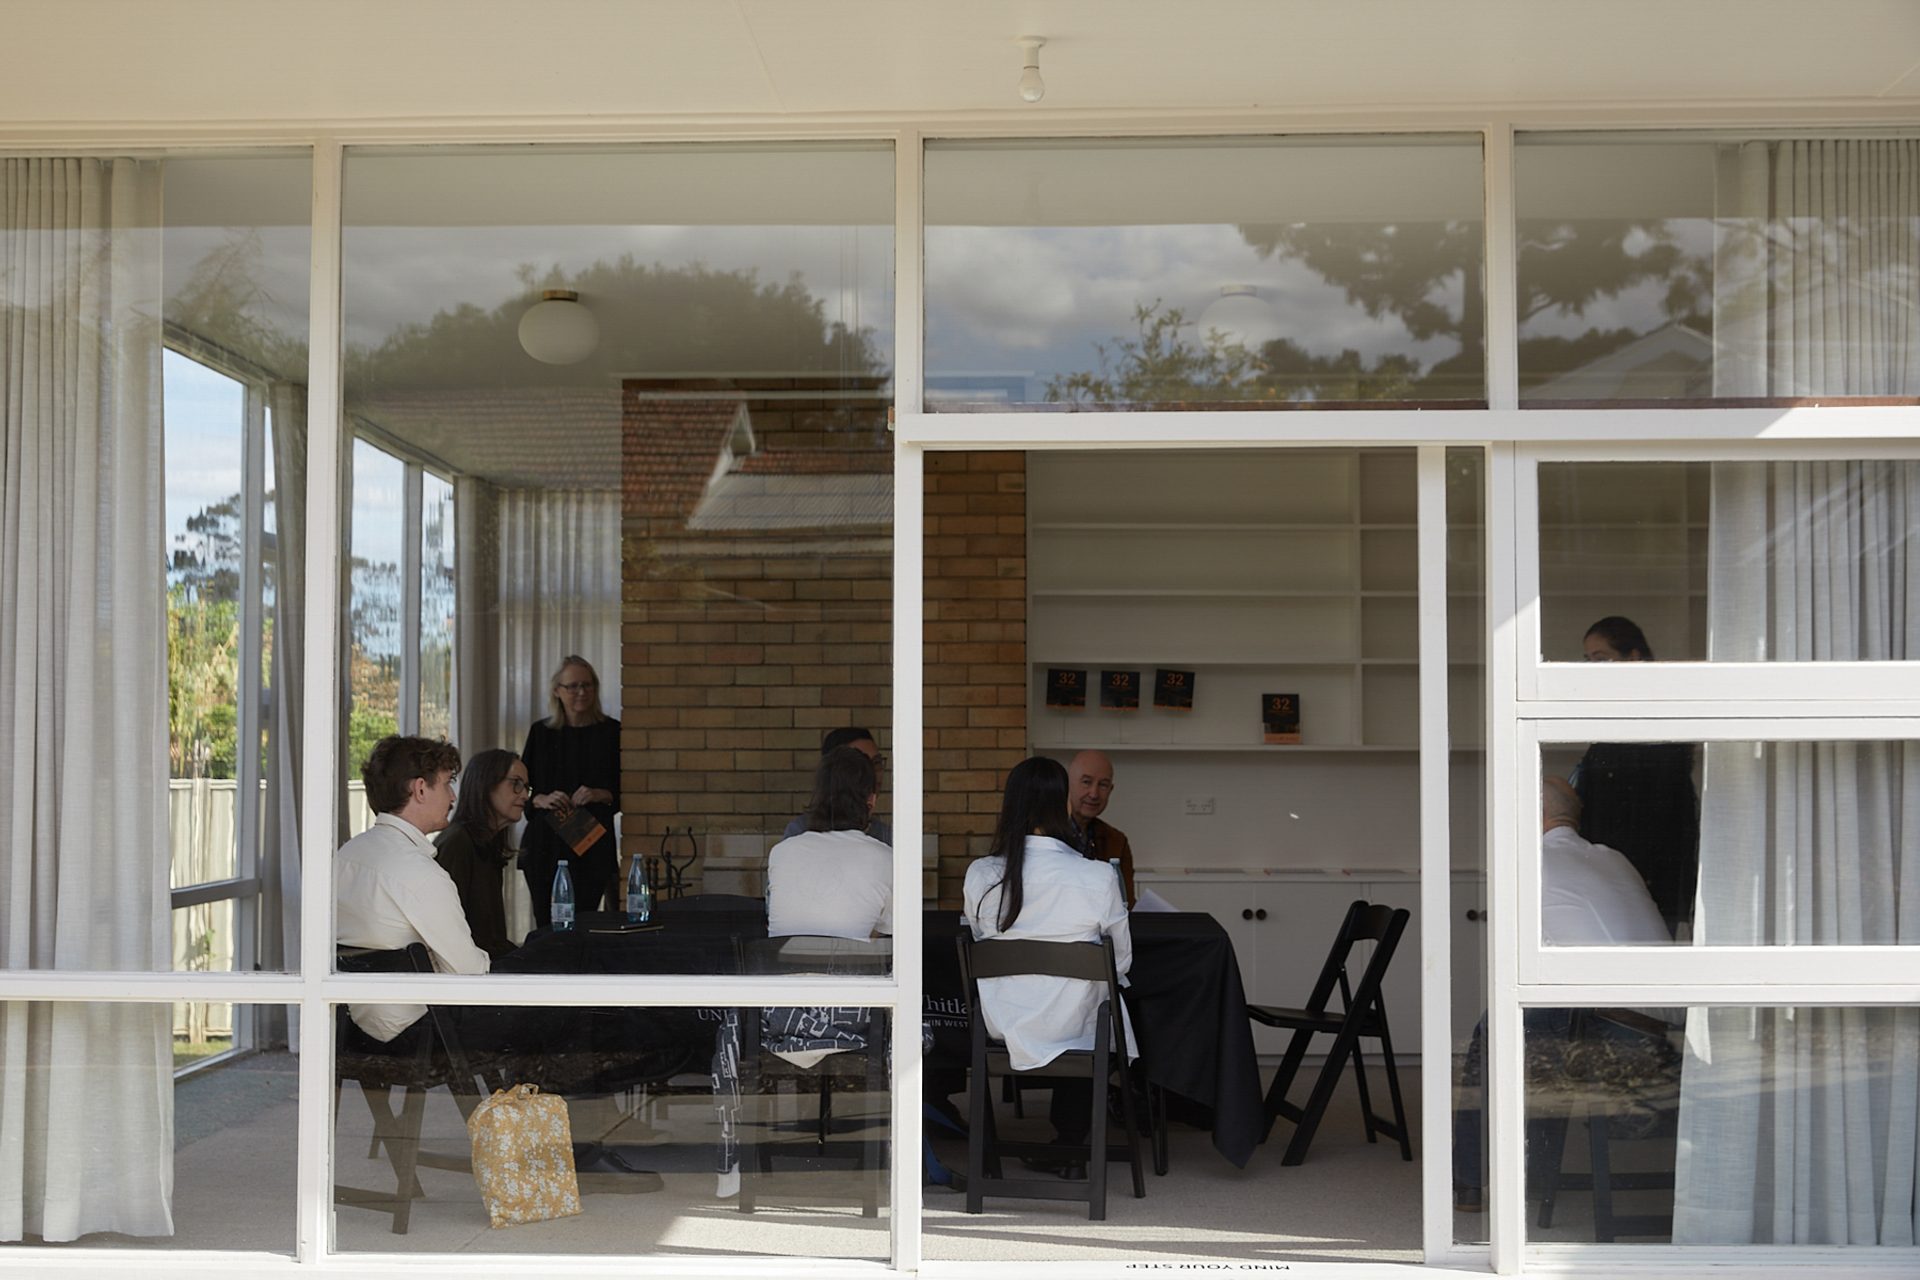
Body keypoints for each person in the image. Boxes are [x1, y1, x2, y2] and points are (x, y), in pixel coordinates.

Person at [1453, 777, 1679, 1210]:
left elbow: (1514, 961)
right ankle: (1533, 1168)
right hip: (1667, 1030)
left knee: (1496, 1025)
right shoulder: (1615, 858)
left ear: (1530, 814)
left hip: (1613, 1034)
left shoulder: (1528, 861)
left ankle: (1470, 1180)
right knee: (1534, 1010)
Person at [964, 756, 1134, 1177]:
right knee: (1092, 1009)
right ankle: (1078, 1141)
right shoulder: (1096, 876)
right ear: (1063, 804)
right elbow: (1123, 961)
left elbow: (981, 942)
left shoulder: (981, 874)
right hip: (1077, 1030)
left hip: (1002, 1024)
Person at [335, 735, 490, 1044]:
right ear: (420, 789)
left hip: (351, 1031)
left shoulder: (344, 857)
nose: (453, 797)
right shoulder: (420, 873)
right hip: (419, 1033)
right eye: (447, 784)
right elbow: (472, 976)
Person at [1573, 616, 1698, 934]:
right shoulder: (1613, 714)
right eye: (1588, 661)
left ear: (1633, 657)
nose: (1593, 670)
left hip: (1643, 875)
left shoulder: (1656, 716)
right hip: (1613, 871)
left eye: (1602, 659)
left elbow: (1661, 809)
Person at [519, 655, 622, 927]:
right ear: (557, 691)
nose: (581, 692)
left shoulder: (612, 731)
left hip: (592, 843)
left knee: (586, 922)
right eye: (573, 686)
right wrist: (539, 799)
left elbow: (627, 792)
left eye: (587, 686)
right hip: (545, 842)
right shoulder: (541, 732)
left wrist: (600, 794)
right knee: (545, 921)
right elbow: (520, 789)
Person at [767, 746, 893, 941]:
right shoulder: (886, 858)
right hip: (856, 969)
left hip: (783, 969)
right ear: (872, 800)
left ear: (818, 796)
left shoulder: (782, 852)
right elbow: (890, 930)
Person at [433, 748, 528, 959]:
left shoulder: (488, 843)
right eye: (516, 784)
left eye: (526, 787)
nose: (524, 795)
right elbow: (449, 935)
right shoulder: (458, 843)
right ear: (487, 784)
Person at [782, 727, 892, 845]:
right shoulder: (799, 832)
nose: (872, 772)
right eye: (859, 764)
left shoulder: (886, 836)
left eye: (877, 762)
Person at [1067, 749, 1136, 907]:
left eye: (1103, 785)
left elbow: (1127, 902)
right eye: (1086, 782)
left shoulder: (1117, 841)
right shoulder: (1046, 836)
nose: (1094, 794)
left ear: (1111, 790)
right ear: (1067, 784)